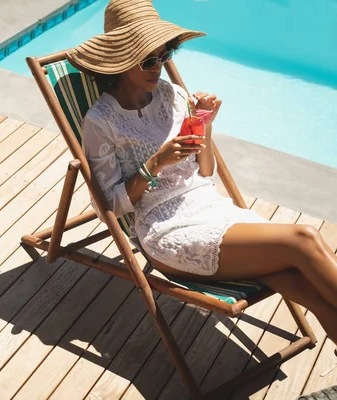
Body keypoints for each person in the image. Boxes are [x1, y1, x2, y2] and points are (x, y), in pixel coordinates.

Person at [66, 0, 337, 348]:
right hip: (165, 229)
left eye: (165, 55)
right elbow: (111, 206)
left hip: (210, 208)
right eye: (148, 60)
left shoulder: (173, 96)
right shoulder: (100, 122)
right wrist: (154, 165)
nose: (158, 68)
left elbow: (205, 170)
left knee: (292, 273)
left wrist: (205, 122)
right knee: (304, 239)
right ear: (121, 61)